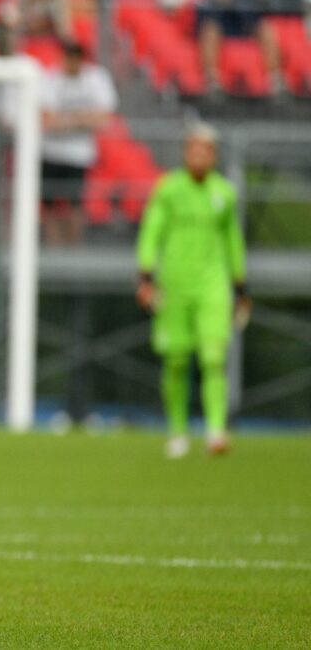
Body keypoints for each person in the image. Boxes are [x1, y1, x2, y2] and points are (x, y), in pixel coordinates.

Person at [135, 123, 249, 459]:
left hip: (213, 286)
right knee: (176, 359)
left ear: (213, 155)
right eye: (194, 149)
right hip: (174, 285)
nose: (200, 155)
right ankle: (178, 431)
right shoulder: (169, 190)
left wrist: (240, 285)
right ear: (186, 153)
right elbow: (151, 231)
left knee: (214, 357)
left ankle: (216, 429)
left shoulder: (224, 194)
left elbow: (233, 241)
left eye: (206, 150)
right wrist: (145, 276)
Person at [39, 40, 116, 246]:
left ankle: (73, 247)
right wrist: (83, 119)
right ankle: (54, 247)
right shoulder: (51, 78)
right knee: (49, 203)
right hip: (51, 152)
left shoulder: (96, 78)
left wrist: (66, 120)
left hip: (78, 154)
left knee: (75, 203)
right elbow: (47, 120)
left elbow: (104, 119)